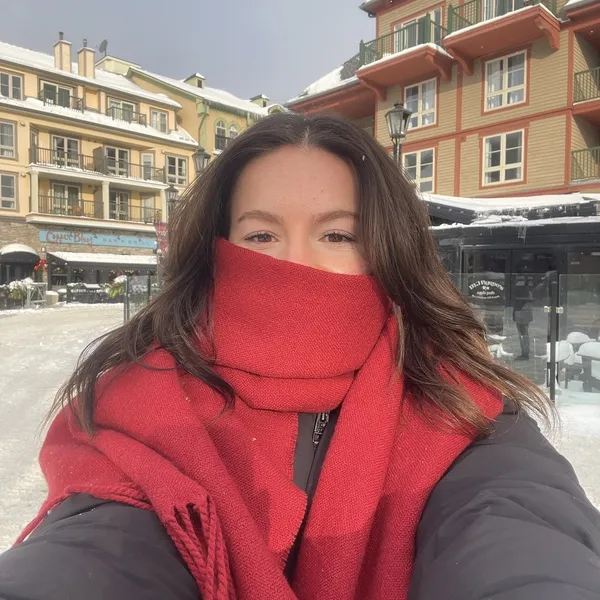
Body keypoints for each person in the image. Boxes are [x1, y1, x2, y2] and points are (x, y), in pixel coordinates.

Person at [1, 113, 599, 600]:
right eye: (261, 235)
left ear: (385, 248)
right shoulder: (135, 405)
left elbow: (515, 522)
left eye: (337, 235)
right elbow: (103, 547)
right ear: (217, 248)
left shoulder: (462, 406)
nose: (295, 263)